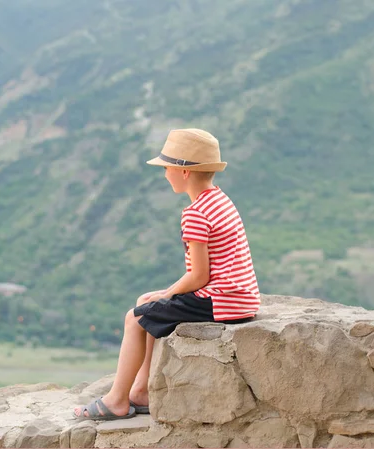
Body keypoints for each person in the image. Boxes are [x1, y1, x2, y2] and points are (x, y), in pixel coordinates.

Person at [73, 128, 260, 421]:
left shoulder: (196, 214)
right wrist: (164, 295)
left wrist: (169, 293)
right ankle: (141, 391)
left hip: (219, 300)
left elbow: (199, 277)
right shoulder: (220, 201)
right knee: (146, 302)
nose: (164, 175)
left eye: (167, 168)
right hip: (239, 297)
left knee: (134, 318)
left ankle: (116, 400)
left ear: (184, 171)